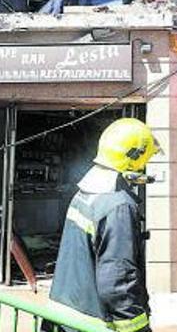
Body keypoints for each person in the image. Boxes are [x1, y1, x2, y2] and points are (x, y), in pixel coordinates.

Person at [47, 118, 160, 332]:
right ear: (134, 157)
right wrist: (138, 328)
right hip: (92, 323)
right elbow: (118, 282)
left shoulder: (86, 193)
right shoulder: (118, 205)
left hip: (63, 318)